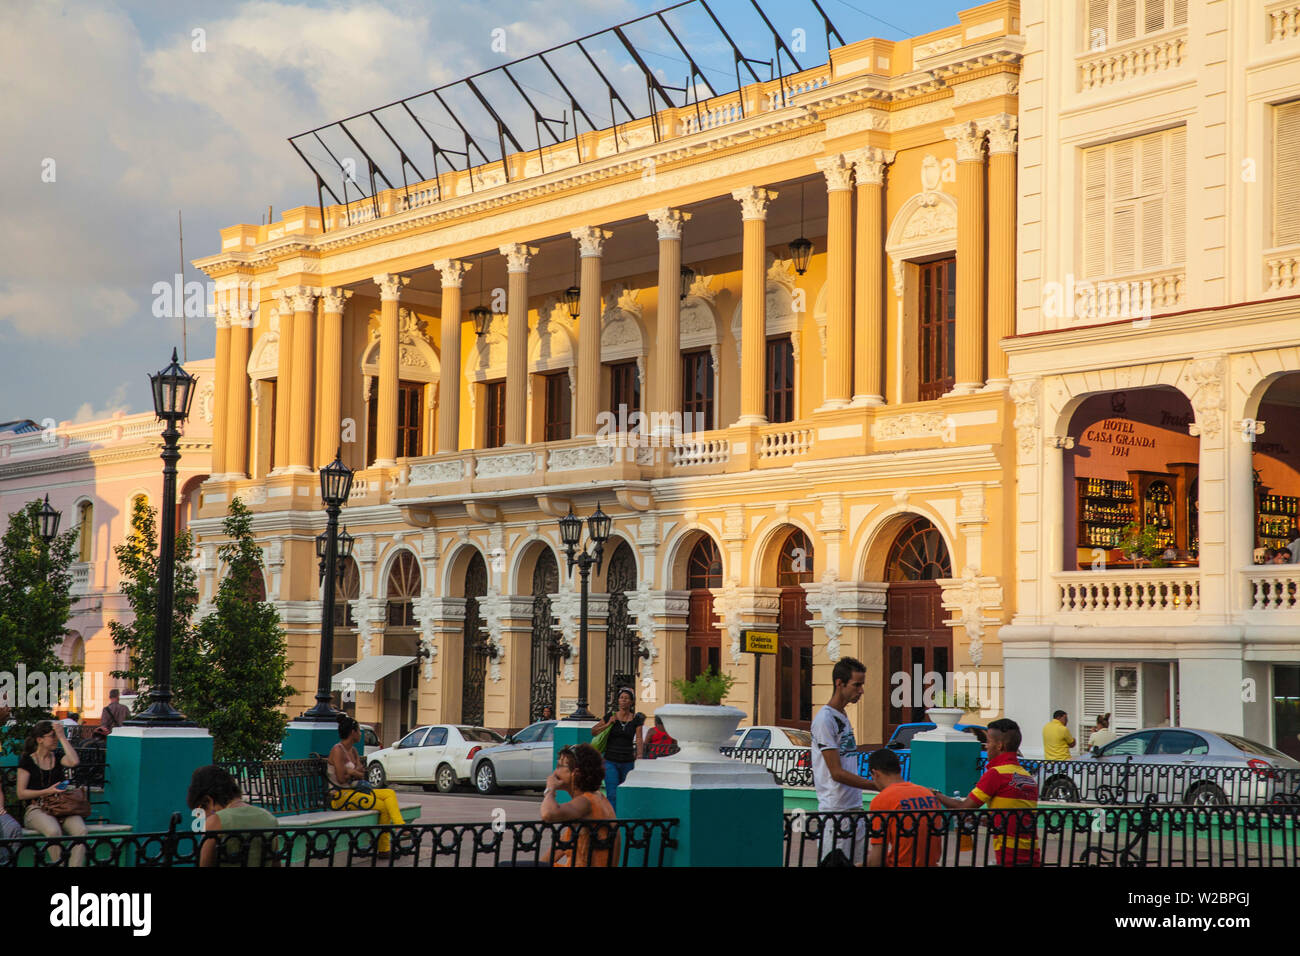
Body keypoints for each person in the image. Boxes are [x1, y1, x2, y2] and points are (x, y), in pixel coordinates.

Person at [932, 718, 1041, 866]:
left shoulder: (996, 774)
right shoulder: (1027, 777)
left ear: (999, 745)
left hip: (1009, 853)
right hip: (1031, 853)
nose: (986, 746)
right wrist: (983, 821)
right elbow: (1014, 816)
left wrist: (935, 794)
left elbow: (964, 807)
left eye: (988, 742)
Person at [810, 657, 878, 865]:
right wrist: (876, 785)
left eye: (862, 685)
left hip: (854, 807)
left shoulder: (842, 716)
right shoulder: (825, 720)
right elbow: (836, 772)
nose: (861, 690)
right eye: (856, 685)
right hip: (835, 811)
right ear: (839, 683)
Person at [328, 715, 405, 856]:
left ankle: (400, 825)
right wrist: (353, 772)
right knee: (383, 806)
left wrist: (351, 772)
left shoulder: (353, 751)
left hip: (354, 792)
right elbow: (340, 779)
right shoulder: (337, 750)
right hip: (340, 796)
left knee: (389, 793)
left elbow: (360, 774)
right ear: (352, 732)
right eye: (358, 730)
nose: (360, 734)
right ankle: (384, 847)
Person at [16, 719, 86, 867]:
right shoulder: (27, 761)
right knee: (53, 831)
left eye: (56, 736)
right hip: (36, 808)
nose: (55, 739)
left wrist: (62, 737)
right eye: (52, 736)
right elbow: (21, 793)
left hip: (61, 807)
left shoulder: (58, 757)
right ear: (40, 740)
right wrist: (47, 791)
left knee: (81, 831)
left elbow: (74, 761)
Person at [186, 765, 280, 867]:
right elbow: (276, 863)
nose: (204, 818)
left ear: (208, 800)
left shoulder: (216, 821)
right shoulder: (269, 818)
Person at [541, 744, 618, 867]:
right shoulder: (598, 798)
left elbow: (548, 814)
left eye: (560, 766)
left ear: (575, 773)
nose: (555, 771)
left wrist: (550, 789)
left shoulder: (586, 802)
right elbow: (558, 849)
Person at [864, 748, 942, 867]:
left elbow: (877, 860)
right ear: (899, 769)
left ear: (875, 773)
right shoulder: (927, 793)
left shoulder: (882, 800)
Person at [591, 687, 644, 811]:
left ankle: (622, 819)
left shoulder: (636, 719)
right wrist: (608, 723)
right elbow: (593, 731)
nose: (623, 700)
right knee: (612, 793)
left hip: (628, 761)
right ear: (618, 701)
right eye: (621, 698)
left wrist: (640, 756)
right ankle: (613, 823)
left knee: (625, 793)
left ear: (631, 702)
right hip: (610, 760)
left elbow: (640, 739)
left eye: (626, 698)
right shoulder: (611, 716)